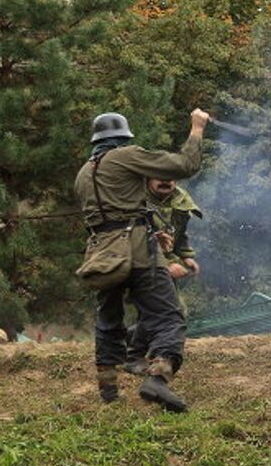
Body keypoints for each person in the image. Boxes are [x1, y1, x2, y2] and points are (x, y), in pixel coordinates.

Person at [74, 108, 209, 411]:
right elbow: (184, 165)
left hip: (101, 256)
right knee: (168, 317)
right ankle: (157, 380)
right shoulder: (125, 155)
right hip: (137, 251)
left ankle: (108, 392)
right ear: (122, 139)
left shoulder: (84, 173)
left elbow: (107, 215)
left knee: (109, 321)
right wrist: (197, 128)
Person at [124, 179, 203, 376]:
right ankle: (141, 356)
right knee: (169, 314)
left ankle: (131, 347)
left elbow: (179, 234)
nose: (166, 180)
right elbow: (135, 240)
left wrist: (186, 256)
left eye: (170, 175)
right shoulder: (136, 202)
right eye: (160, 175)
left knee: (161, 313)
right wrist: (166, 265)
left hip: (162, 263)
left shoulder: (179, 200)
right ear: (148, 178)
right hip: (140, 264)